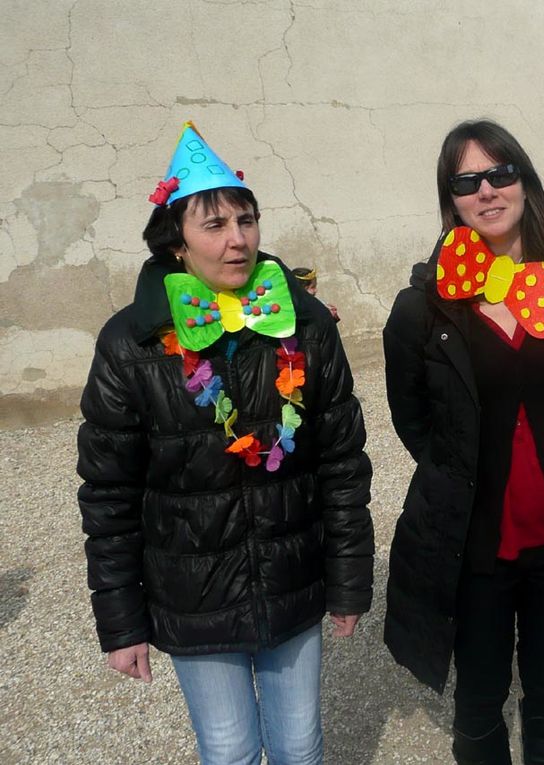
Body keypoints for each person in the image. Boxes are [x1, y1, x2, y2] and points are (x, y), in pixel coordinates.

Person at [77, 121, 374, 765]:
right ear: (176, 243)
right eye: (214, 225)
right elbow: (108, 492)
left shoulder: (307, 324)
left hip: (292, 580)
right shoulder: (131, 343)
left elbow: (343, 463)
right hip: (194, 590)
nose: (237, 239)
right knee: (230, 749)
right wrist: (122, 622)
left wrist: (349, 581)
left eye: (247, 220)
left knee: (300, 746)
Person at [382, 119, 544, 765]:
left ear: (525, 180)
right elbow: (415, 422)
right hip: (474, 540)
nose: (487, 190)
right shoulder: (421, 308)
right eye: (467, 180)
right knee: (480, 695)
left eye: (500, 173)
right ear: (451, 197)